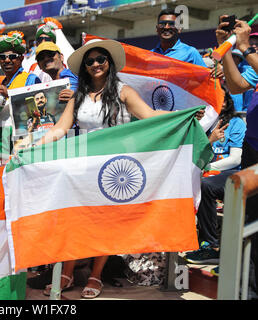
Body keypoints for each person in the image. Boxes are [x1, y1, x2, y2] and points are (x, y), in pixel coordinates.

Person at [37, 38, 204, 298]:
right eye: (89, 61)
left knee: (104, 221)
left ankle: (95, 275)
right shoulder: (79, 94)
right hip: (83, 164)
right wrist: (33, 144)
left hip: (114, 167)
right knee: (75, 218)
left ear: (109, 63)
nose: (95, 64)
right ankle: (67, 272)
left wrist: (183, 114)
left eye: (100, 59)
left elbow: (148, 116)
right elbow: (60, 128)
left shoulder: (123, 91)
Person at [215, 16, 258, 299]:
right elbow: (236, 86)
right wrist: (226, 49)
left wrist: (244, 48)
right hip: (253, 148)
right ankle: (250, 289)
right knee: (251, 221)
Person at [183, 86, 246, 265]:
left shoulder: (235, 123)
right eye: (216, 98)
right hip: (202, 169)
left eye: (224, 99)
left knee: (204, 184)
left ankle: (211, 245)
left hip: (226, 172)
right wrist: (208, 141)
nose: (221, 102)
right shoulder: (201, 122)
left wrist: (208, 166)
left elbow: (235, 159)